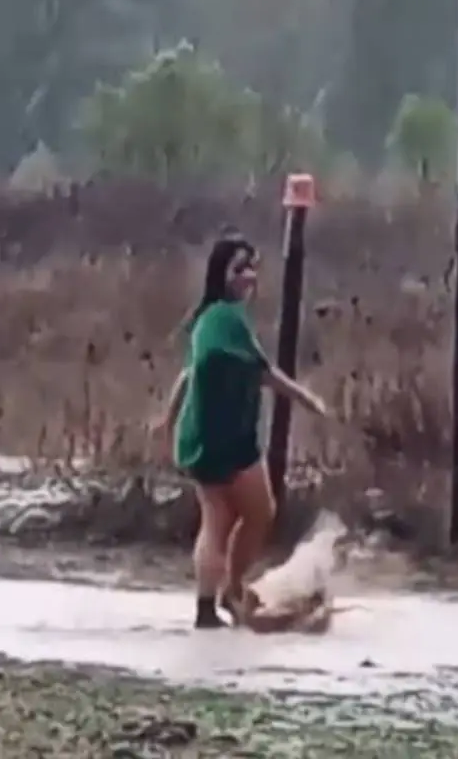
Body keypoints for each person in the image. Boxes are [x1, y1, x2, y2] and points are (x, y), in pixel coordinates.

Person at [153, 235, 328, 629]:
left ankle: (208, 606)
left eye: (251, 267)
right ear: (222, 275)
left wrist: (169, 417)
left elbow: (189, 372)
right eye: (239, 269)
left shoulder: (206, 319)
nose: (248, 276)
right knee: (258, 512)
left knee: (218, 517)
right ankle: (230, 590)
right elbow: (264, 373)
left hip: (199, 436)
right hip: (227, 437)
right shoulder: (227, 319)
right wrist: (306, 398)